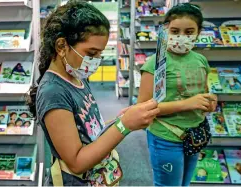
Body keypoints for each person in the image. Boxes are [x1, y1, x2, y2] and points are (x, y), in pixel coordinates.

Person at [27, 1, 160, 186]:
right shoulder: (53, 92)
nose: (96, 61)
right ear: (61, 46)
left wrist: (119, 120)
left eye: (100, 54)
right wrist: (124, 126)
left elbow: (87, 131)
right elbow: (77, 162)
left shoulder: (76, 75)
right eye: (91, 53)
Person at [138, 3, 217, 186]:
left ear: (198, 32)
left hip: (195, 133)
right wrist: (189, 103)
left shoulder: (201, 60)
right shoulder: (157, 62)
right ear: (166, 30)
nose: (181, 37)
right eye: (175, 31)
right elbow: (143, 107)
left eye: (189, 32)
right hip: (166, 136)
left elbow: (203, 92)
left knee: (185, 183)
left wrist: (210, 101)